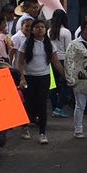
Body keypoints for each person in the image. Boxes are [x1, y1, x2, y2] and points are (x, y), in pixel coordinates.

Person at [16, 17, 66, 145]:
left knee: (42, 104)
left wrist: (66, 76)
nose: (40, 29)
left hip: (44, 77)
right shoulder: (26, 44)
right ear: (32, 30)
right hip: (29, 77)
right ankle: (25, 127)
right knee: (29, 104)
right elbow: (20, 63)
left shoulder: (49, 44)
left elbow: (56, 63)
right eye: (37, 27)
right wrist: (21, 78)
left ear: (46, 30)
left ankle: (42, 133)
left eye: (42, 27)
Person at [48, 9, 73, 117]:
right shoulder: (66, 32)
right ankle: (59, 107)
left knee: (53, 85)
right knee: (66, 84)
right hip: (63, 60)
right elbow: (69, 49)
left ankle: (54, 107)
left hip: (51, 60)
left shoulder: (49, 31)